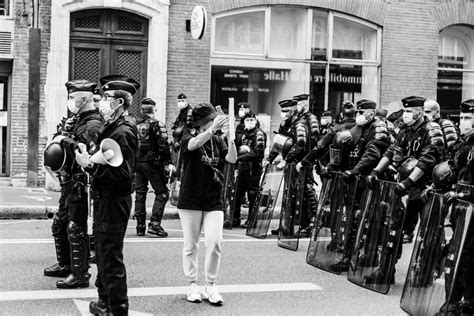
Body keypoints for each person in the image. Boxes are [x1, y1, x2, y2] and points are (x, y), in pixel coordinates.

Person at [75, 75, 139, 316]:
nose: (101, 101)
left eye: (107, 98)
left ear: (119, 102)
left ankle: (117, 308)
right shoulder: (114, 126)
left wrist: (89, 166)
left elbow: (122, 175)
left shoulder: (123, 131)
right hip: (107, 199)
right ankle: (105, 302)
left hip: (114, 201)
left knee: (110, 256)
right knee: (102, 252)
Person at [367, 95, 444, 283]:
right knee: (393, 227)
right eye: (406, 111)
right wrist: (376, 171)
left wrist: (408, 182)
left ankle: (424, 273)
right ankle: (385, 271)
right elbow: (392, 150)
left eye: (410, 112)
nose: (407, 115)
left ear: (419, 112)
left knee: (427, 233)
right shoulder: (405, 129)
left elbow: (428, 160)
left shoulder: (431, 130)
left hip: (426, 190)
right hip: (405, 189)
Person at [44, 80, 103, 289]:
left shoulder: (93, 124)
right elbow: (61, 140)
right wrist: (62, 135)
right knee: (59, 223)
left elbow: (91, 153)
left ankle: (80, 274)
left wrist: (64, 140)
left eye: (73, 96)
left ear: (85, 98)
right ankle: (66, 265)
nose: (70, 100)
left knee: (75, 227)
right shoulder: (76, 120)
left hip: (81, 184)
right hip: (68, 181)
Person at [177, 102, 237, 305]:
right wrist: (213, 130)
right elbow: (192, 145)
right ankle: (192, 284)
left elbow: (231, 159)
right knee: (191, 245)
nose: (215, 123)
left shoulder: (218, 140)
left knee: (215, 242)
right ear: (203, 123)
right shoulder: (188, 134)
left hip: (213, 199)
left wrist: (231, 137)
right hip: (190, 199)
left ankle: (211, 285)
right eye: (211, 120)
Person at [435, 99, 474, 316]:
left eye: (469, 118)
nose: (464, 122)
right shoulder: (462, 144)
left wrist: (461, 193)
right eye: (462, 118)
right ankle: (454, 302)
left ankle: (464, 303)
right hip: (461, 210)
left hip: (471, 209)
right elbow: (454, 170)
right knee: (458, 254)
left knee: (467, 256)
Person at [134, 98, 172, 237]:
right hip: (152, 163)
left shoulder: (133, 124)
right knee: (162, 193)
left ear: (142, 110)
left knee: (140, 193)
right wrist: (168, 161)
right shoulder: (156, 124)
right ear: (154, 110)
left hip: (137, 163)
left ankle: (140, 226)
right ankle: (155, 224)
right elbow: (164, 144)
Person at [232, 111, 266, 228]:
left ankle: (252, 221)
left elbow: (258, 152)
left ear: (256, 121)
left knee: (252, 194)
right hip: (243, 168)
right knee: (237, 192)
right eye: (247, 120)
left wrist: (240, 158)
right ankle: (235, 218)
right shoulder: (244, 133)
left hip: (254, 168)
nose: (249, 122)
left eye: (252, 120)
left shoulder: (259, 134)